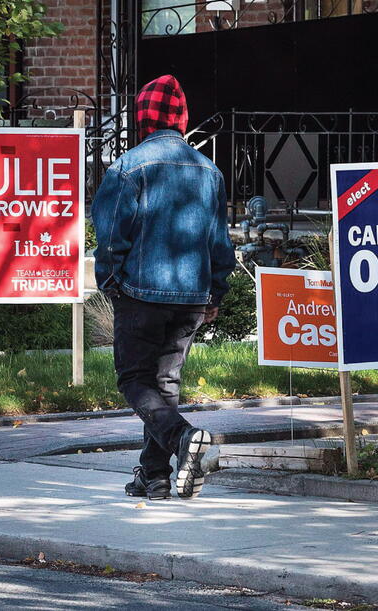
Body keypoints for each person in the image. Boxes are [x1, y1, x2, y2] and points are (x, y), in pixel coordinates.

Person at [93, 74, 236, 500]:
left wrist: (111, 282)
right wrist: (216, 292)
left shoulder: (127, 166)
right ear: (181, 118)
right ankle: (153, 475)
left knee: (134, 378)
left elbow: (110, 233)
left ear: (142, 117)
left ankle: (182, 438)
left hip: (141, 291)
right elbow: (219, 241)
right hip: (192, 295)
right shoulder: (208, 171)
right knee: (165, 382)